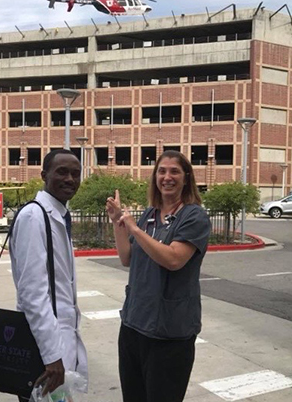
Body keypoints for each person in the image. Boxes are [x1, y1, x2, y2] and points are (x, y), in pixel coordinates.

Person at [106, 150, 211, 402]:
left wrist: (133, 228)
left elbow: (174, 259)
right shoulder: (149, 215)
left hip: (169, 333)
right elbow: (127, 258)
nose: (167, 177)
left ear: (186, 177)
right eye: (161, 171)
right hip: (133, 325)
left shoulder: (194, 216)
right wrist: (118, 223)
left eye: (174, 171)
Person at [9, 149, 88, 401]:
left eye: (76, 174)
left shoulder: (58, 215)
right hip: (44, 351)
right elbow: (32, 292)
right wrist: (52, 355)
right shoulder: (35, 217)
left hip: (57, 344)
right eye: (62, 172)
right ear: (44, 174)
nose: (70, 179)